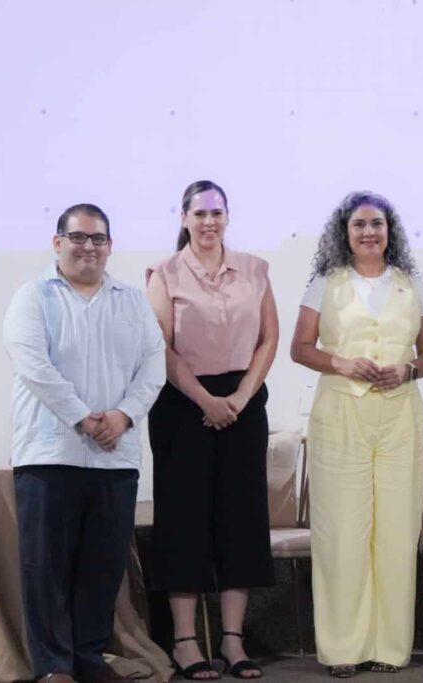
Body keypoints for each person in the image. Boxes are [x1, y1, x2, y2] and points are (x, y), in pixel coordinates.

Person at [3, 204, 166, 683]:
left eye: (98, 239)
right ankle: (54, 667)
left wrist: (123, 415)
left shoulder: (132, 301)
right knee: (46, 568)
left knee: (102, 567)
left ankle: (88, 659)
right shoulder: (33, 297)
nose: (88, 247)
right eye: (78, 237)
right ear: (58, 243)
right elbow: (32, 364)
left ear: (110, 246)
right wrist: (83, 417)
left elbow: (153, 366)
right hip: (49, 453)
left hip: (115, 457)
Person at [290, 191, 423, 679]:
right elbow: (299, 347)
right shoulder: (325, 283)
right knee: (342, 532)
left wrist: (409, 369)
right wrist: (340, 362)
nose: (369, 232)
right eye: (359, 224)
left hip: (400, 417)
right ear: (346, 232)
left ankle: (389, 647)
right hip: (340, 416)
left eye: (377, 224)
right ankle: (343, 648)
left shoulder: (411, 285)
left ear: (389, 231)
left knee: (396, 531)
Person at [146, 180, 278, 680]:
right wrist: (206, 400)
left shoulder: (255, 269)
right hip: (184, 405)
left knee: (241, 520)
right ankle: (185, 641)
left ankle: (232, 640)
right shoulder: (164, 273)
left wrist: (239, 398)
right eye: (199, 213)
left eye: (216, 212)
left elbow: (269, 339)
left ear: (227, 217)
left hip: (243, 402)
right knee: (184, 521)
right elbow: (159, 347)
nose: (208, 221)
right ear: (183, 218)